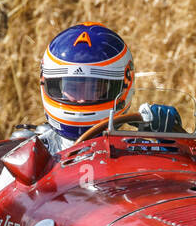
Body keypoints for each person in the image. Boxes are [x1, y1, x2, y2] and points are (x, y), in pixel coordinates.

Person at [19, 22, 182, 155]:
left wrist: (174, 142)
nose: (82, 99)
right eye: (73, 88)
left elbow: (184, 180)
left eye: (94, 89)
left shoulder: (140, 151)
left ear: (124, 86)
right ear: (49, 85)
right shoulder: (30, 158)